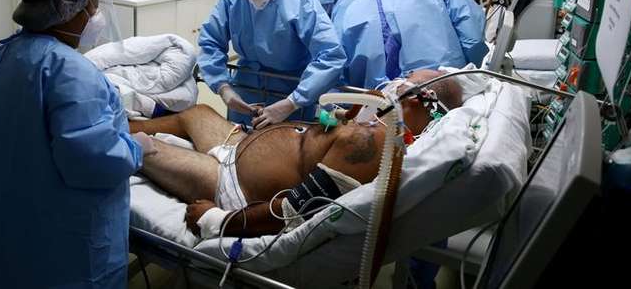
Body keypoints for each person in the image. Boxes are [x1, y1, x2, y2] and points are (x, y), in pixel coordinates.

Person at [0, 0, 157, 288]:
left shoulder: (2, 54)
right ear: (69, 10)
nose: (96, 18)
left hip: (6, 219)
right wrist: (135, 149)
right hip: (62, 241)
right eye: (93, 8)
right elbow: (91, 163)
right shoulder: (71, 71)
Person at [129, 69, 462, 239]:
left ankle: (97, 134)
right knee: (196, 112)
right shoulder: (375, 123)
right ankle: (122, 118)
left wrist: (220, 221)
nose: (396, 81)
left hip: (232, 186)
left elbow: (296, 211)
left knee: (145, 149)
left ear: (420, 98)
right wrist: (362, 108)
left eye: (405, 81)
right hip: (238, 147)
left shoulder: (376, 145)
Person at [198, 0, 346, 126]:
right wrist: (223, 87)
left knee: (284, 151)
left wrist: (293, 102)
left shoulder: (301, 2)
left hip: (290, 93)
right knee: (240, 146)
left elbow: (331, 56)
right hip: (246, 90)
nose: (252, 0)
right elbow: (211, 41)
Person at [338, 0, 487, 89]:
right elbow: (472, 34)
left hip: (393, 102)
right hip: (450, 86)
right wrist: (470, 74)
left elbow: (349, 70)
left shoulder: (354, 10)